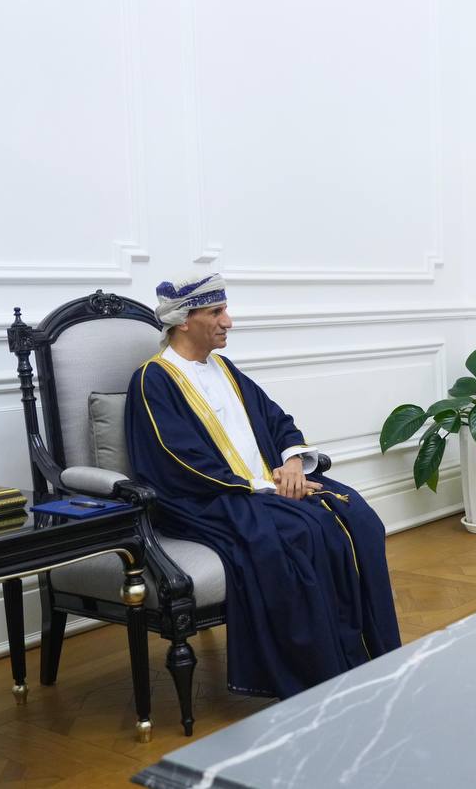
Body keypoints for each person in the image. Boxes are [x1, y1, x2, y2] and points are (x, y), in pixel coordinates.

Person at [124, 273, 401, 698]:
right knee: (303, 531)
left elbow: (277, 419)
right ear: (184, 320)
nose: (228, 321)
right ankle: (319, 670)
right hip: (208, 497)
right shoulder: (153, 380)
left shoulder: (223, 368)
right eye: (216, 312)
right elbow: (178, 461)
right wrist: (267, 487)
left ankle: (370, 655)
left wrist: (292, 464)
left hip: (264, 486)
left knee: (360, 518)